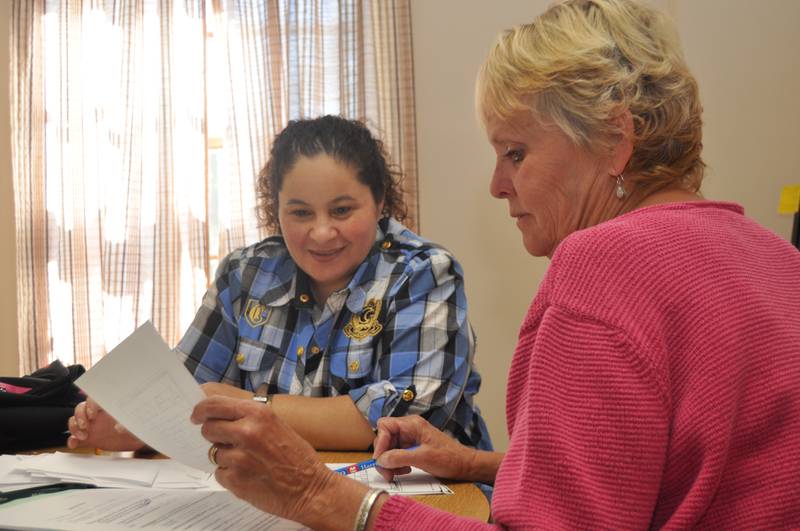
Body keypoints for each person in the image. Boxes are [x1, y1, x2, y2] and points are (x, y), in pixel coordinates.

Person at [189, 0, 800, 529]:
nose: (496, 185)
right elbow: (653, 474)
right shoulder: (779, 257)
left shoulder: (602, 266)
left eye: (516, 152)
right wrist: (476, 462)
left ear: (615, 141)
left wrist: (315, 494)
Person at [67, 115, 492, 453]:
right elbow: (186, 397)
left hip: (416, 495)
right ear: (276, 210)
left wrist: (248, 407)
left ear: (380, 202)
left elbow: (407, 420)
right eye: (301, 213)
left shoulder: (425, 273)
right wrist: (132, 426)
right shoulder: (244, 274)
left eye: (342, 211)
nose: (321, 233)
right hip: (272, 496)